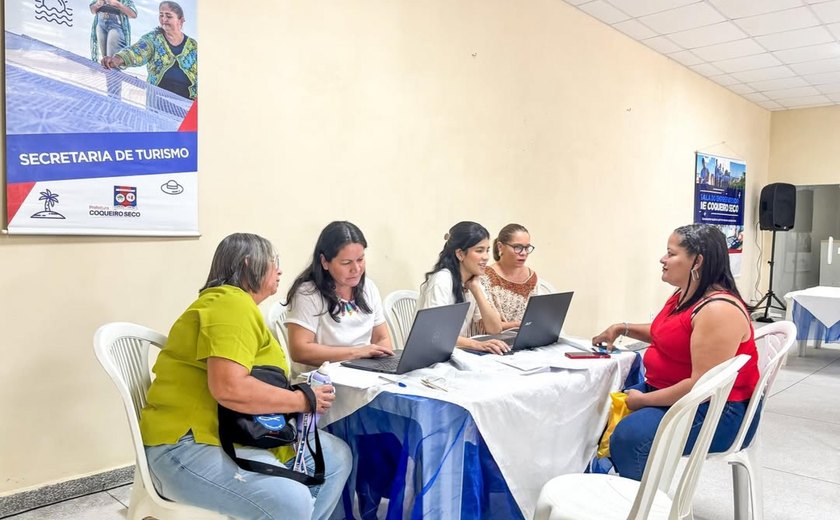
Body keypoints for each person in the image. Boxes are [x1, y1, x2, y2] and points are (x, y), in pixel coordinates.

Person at [141, 233, 351, 519]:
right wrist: (300, 401)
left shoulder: (234, 306)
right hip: (186, 445)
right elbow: (230, 387)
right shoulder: (230, 305)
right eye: (274, 261)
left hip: (230, 431)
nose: (280, 270)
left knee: (336, 456)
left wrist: (299, 394)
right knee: (292, 500)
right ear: (250, 263)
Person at [592, 224, 760, 481]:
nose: (663, 259)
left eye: (671, 253)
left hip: (717, 410)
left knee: (630, 436)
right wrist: (622, 328)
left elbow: (702, 386)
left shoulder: (718, 310)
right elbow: (667, 333)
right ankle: (614, 484)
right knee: (596, 409)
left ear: (697, 261)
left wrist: (644, 401)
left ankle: (643, 507)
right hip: (676, 393)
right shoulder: (685, 295)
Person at [285, 221, 393, 369]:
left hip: (365, 372)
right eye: (346, 262)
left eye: (360, 259)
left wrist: (380, 362)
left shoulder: (369, 287)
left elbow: (382, 338)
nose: (356, 269)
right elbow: (300, 351)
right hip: (324, 381)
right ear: (324, 262)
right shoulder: (307, 293)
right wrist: (357, 353)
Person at [417, 221, 508, 355]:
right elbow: (436, 335)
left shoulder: (473, 281)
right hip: (430, 355)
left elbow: (494, 329)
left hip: (454, 353)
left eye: (487, 250)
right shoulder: (442, 280)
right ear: (460, 254)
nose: (486, 257)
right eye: (479, 250)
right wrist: (477, 344)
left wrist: (476, 289)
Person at [101, 1, 197, 101]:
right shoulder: (153, 38)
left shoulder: (193, 46)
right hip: (158, 102)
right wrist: (117, 59)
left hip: (187, 106)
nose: (164, 19)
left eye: (168, 16)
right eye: (161, 15)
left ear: (180, 21)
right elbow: (136, 51)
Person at [481, 223, 538, 330]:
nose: (523, 253)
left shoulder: (532, 276)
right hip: (493, 339)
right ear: (500, 247)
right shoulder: (485, 276)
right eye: (518, 247)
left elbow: (534, 316)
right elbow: (484, 324)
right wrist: (516, 325)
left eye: (527, 248)